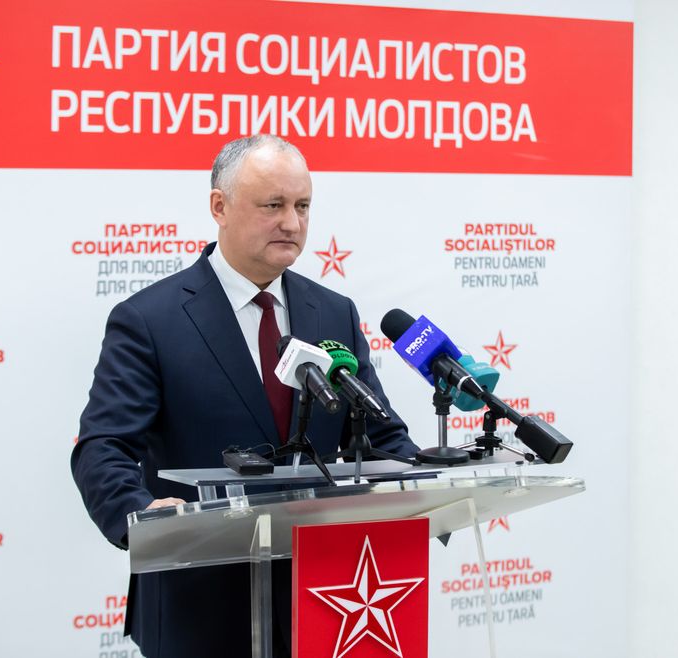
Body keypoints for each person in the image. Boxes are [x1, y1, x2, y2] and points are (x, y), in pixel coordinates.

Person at [71, 134, 418, 658]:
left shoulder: (334, 312)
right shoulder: (149, 320)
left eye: (303, 206)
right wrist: (143, 516)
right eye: (273, 205)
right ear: (220, 207)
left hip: (331, 599)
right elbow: (103, 447)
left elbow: (380, 435)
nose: (292, 223)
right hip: (200, 603)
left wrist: (434, 488)